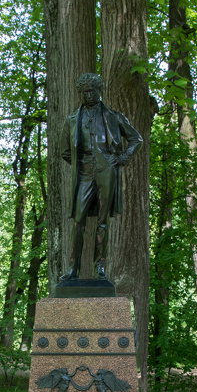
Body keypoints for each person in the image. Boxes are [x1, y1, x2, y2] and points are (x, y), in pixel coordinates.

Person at [60, 73, 143, 280]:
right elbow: (65, 151)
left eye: (91, 91)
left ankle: (100, 267)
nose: (88, 95)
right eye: (84, 92)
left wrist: (122, 157)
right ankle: (73, 268)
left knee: (102, 222)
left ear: (99, 91)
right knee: (78, 220)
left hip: (107, 170)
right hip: (85, 173)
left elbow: (136, 139)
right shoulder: (71, 120)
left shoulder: (114, 117)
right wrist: (83, 164)